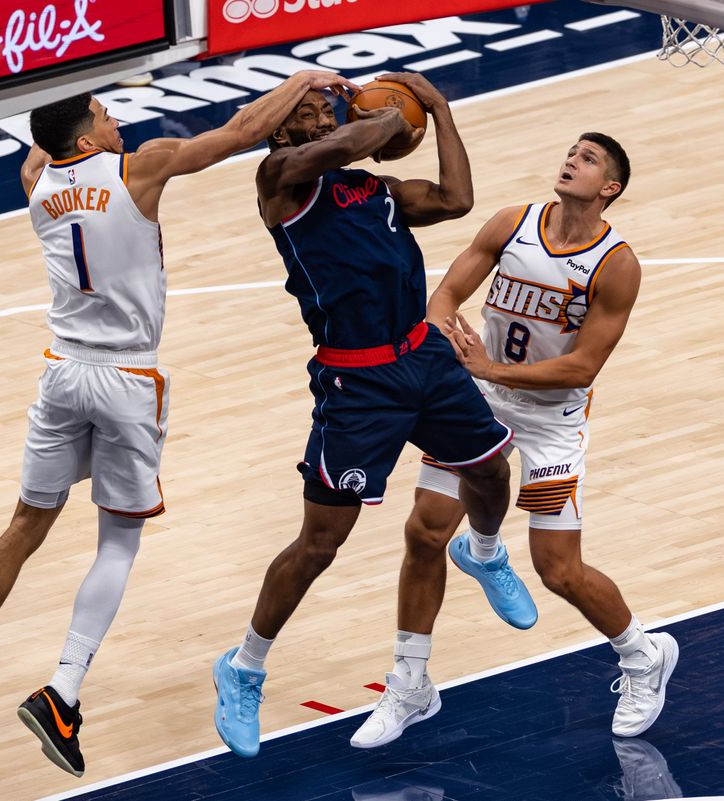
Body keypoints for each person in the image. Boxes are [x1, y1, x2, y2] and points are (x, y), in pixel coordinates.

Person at [0, 69, 360, 778]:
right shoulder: (139, 168)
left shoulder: (38, 184)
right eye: (104, 111)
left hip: (61, 370)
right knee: (118, 542)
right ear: (87, 137)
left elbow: (37, 148)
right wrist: (300, 78)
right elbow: (242, 134)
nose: (118, 117)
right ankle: (62, 690)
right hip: (127, 376)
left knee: (27, 522)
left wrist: (61, 113)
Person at [211, 72, 526, 758]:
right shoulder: (281, 179)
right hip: (356, 382)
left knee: (492, 471)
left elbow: (457, 197)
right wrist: (388, 116)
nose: (327, 111)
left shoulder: (375, 189)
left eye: (330, 105)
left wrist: (438, 109)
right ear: (284, 126)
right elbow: (358, 137)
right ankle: (243, 668)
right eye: (315, 106)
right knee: (319, 543)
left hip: (423, 354)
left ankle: (485, 550)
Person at [414, 133, 679, 739]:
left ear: (609, 188)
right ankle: (478, 560)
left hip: (550, 424)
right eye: (571, 152)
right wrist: (445, 339)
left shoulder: (616, 264)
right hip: (480, 402)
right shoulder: (514, 222)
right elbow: (448, 293)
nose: (570, 161)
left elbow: (582, 368)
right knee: (427, 524)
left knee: (558, 569)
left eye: (588, 160)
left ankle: (644, 655)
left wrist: (487, 368)